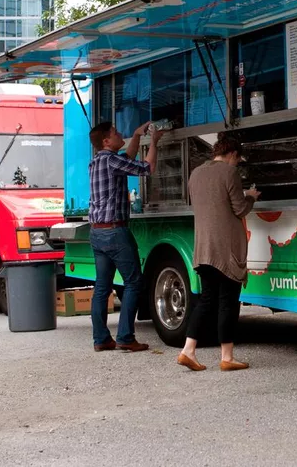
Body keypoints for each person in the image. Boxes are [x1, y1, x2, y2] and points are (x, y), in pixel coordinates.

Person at [178, 133, 260, 372]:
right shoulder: (229, 173)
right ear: (232, 154)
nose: (237, 164)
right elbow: (239, 209)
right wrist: (251, 197)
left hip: (204, 248)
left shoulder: (196, 173)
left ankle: (188, 350)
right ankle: (227, 357)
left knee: (206, 300)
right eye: (238, 159)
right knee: (228, 302)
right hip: (226, 249)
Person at [89, 121, 163, 352]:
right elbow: (147, 168)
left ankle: (101, 339)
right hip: (115, 231)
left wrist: (136, 135)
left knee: (102, 287)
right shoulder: (111, 160)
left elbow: (127, 158)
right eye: (116, 132)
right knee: (133, 282)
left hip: (97, 232)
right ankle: (125, 337)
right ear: (106, 141)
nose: (120, 134)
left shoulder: (98, 161)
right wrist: (154, 142)